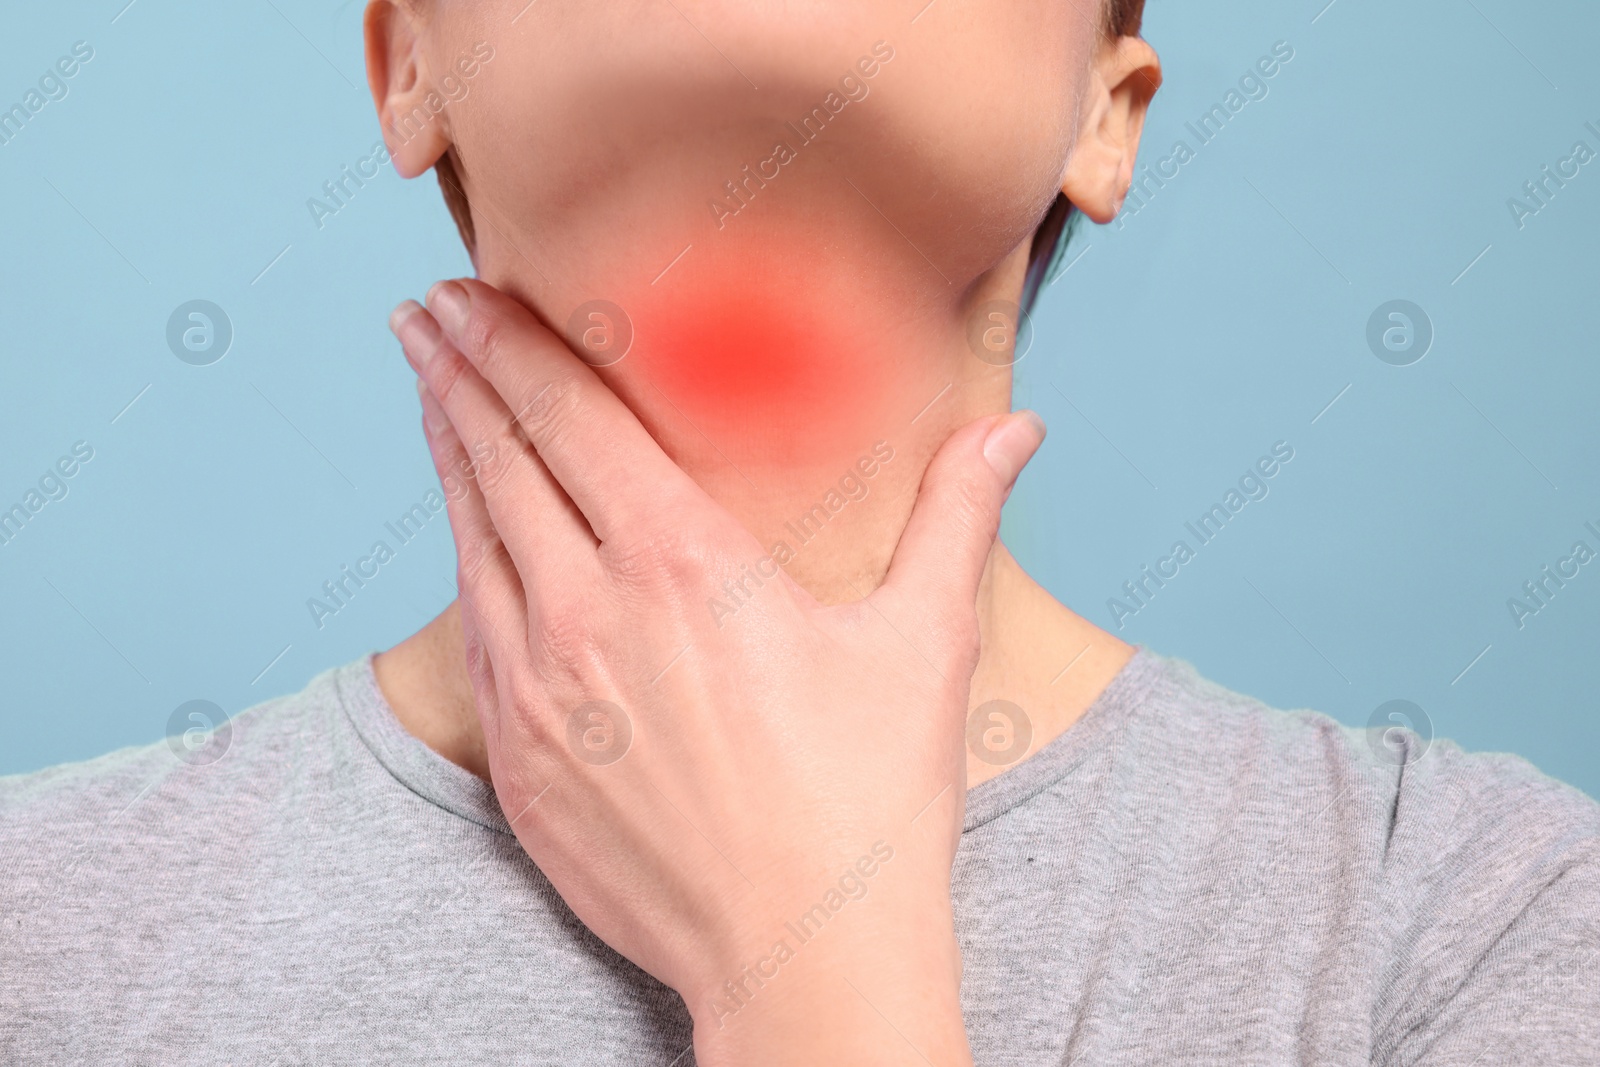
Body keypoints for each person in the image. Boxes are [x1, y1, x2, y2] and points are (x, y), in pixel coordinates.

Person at [3, 0, 1597, 1063]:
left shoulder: (1468, 922)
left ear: (1100, 120)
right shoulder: (34, 936)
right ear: (408, 64)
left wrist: (810, 963)